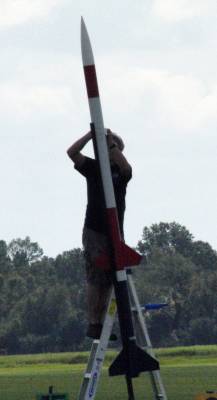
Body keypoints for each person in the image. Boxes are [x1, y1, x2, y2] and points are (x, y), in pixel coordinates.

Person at [67, 129, 132, 339]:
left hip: (115, 232)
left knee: (109, 280)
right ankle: (94, 323)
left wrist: (111, 144)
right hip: (95, 230)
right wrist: (90, 135)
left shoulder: (122, 174)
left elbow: (126, 167)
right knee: (96, 277)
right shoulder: (94, 168)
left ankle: (101, 324)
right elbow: (72, 152)